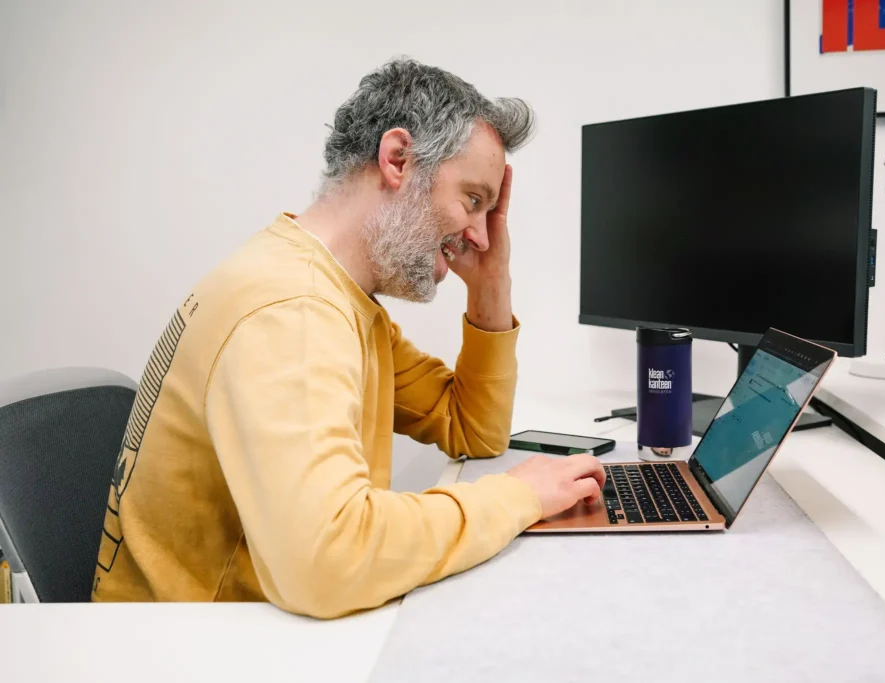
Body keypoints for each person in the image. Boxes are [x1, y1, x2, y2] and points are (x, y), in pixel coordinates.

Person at [91, 58, 606, 618]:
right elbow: (328, 563)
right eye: (473, 200)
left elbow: (472, 428)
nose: (480, 236)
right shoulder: (294, 310)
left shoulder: (333, 294)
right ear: (398, 160)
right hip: (185, 648)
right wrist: (520, 496)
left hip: (221, 632)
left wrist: (490, 289)